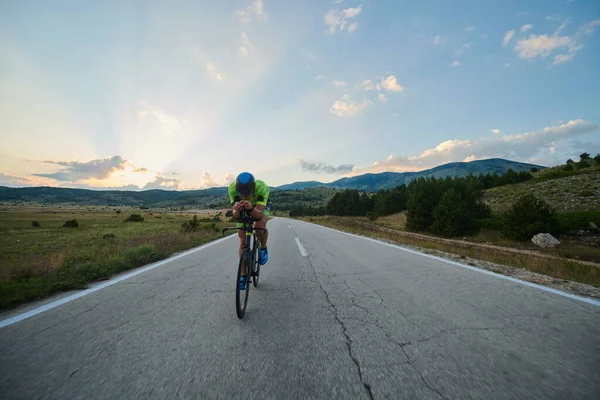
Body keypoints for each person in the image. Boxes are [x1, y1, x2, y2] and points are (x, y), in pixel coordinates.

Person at [228, 172, 271, 289]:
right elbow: (236, 215)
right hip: (245, 208)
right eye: (243, 194)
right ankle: (243, 274)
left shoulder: (262, 188)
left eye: (248, 193)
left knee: (258, 224)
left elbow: (258, 215)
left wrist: (251, 208)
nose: (246, 196)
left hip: (259, 207)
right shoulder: (232, 189)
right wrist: (237, 209)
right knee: (242, 240)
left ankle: (263, 247)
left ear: (253, 188)